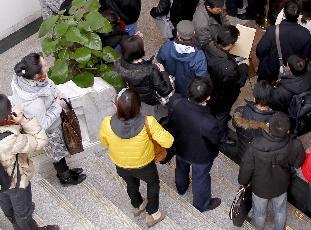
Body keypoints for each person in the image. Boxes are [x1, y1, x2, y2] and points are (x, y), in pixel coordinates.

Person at [98, 88, 174, 227]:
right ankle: (153, 214)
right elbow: (168, 142)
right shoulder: (148, 122)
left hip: (120, 164)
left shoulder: (107, 122)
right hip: (144, 165)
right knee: (153, 184)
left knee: (131, 184)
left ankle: (137, 205)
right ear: (139, 105)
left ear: (117, 105)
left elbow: (104, 142)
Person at [10, 53, 86, 186]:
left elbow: (49, 86)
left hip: (54, 123)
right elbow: (43, 124)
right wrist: (58, 106)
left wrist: (60, 97)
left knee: (59, 153)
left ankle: (66, 172)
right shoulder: (33, 101)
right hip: (50, 132)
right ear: (35, 76)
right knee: (58, 155)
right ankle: (65, 178)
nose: (47, 65)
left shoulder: (31, 79)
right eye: (44, 65)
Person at [238, 112, 306, 230]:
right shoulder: (295, 144)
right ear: (288, 130)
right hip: (281, 185)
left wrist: (242, 181)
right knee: (280, 211)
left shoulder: (255, 145)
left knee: (259, 214)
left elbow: (246, 167)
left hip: (259, 188)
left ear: (268, 126)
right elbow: (298, 163)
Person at [0, 94, 56, 230]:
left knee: (4, 200)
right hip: (14, 180)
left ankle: (13, 219)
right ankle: (25, 225)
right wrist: (24, 121)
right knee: (23, 212)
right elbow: (40, 141)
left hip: (1, 182)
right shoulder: (8, 139)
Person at [169, 77, 222, 212]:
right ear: (208, 97)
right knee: (200, 178)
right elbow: (215, 140)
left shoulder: (177, 103)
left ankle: (181, 188)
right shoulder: (209, 122)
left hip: (181, 146)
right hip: (201, 155)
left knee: (181, 167)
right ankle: (201, 204)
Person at [205, 25, 248, 139]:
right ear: (230, 45)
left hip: (209, 89)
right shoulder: (228, 67)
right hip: (221, 98)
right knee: (221, 116)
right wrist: (244, 66)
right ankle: (221, 136)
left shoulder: (208, 46)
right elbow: (239, 81)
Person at [113, 35, 172, 118]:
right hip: (150, 100)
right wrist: (163, 72)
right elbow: (165, 90)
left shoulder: (120, 64)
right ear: (139, 51)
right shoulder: (151, 70)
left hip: (136, 96)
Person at [256, 0, 311, 82]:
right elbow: (305, 56)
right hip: (291, 71)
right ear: (298, 15)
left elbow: (260, 51)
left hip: (270, 69)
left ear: (284, 14)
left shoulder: (272, 30)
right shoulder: (305, 33)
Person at [156, 20, 208, 96]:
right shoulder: (199, 56)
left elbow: (159, 63)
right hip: (187, 89)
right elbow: (202, 78)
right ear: (194, 34)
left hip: (169, 83)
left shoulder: (166, 47)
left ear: (177, 34)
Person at [232, 80, 276, 158]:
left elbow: (234, 124)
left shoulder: (240, 112)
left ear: (254, 98)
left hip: (242, 148)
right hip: (256, 155)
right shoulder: (273, 121)